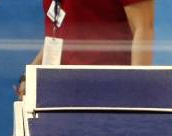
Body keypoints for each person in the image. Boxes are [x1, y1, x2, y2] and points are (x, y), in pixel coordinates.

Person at [17, 0, 154, 98]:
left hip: (109, 88)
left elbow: (144, 27)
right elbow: (56, 38)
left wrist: (137, 90)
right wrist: (30, 74)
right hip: (64, 91)